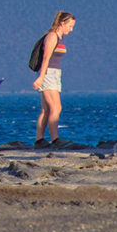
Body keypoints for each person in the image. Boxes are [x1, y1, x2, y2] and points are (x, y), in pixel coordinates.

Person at [32, 11, 76, 149]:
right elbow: (46, 58)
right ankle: (55, 140)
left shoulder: (60, 37)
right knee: (56, 108)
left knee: (46, 110)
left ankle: (39, 141)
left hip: (55, 74)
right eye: (70, 26)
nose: (71, 29)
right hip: (48, 74)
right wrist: (41, 77)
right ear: (62, 24)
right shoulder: (52, 36)